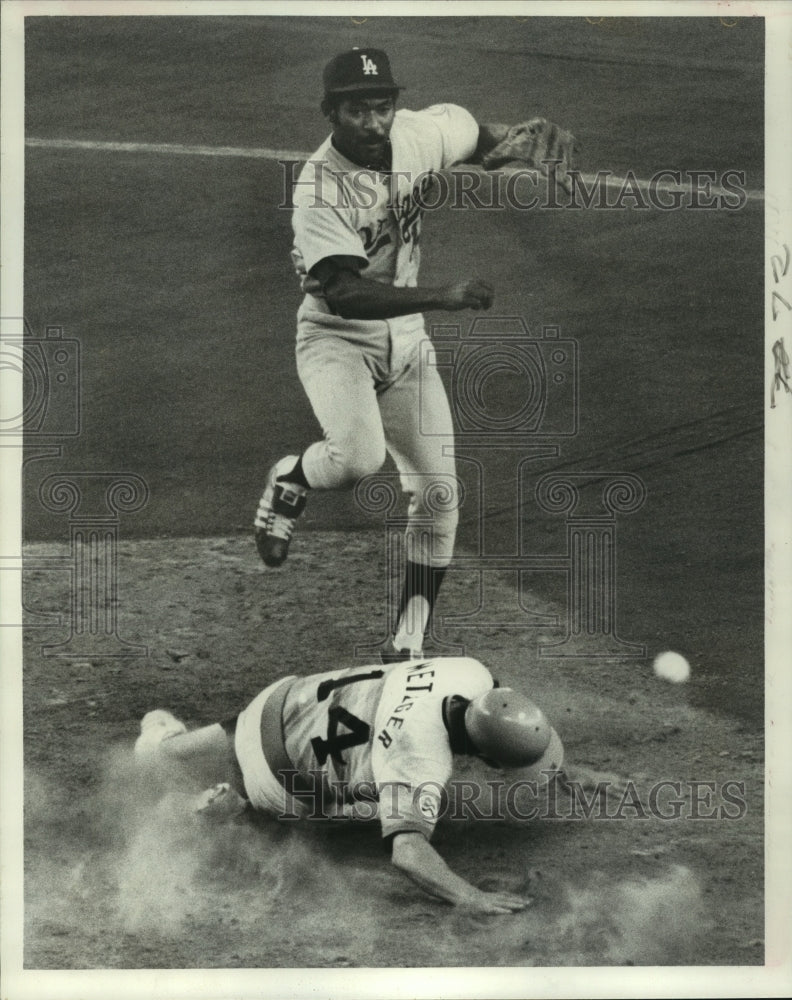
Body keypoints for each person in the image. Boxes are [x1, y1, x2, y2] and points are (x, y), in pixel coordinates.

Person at [254, 47, 536, 663]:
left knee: (439, 493)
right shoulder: (319, 189)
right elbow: (347, 294)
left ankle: (407, 643)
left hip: (408, 345)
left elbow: (473, 136)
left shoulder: (417, 135)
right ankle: (292, 478)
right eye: (358, 109)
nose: (374, 122)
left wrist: (514, 144)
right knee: (358, 459)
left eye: (382, 107)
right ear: (331, 112)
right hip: (336, 340)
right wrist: (444, 295)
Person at [135, 655, 564, 914]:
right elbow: (409, 854)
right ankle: (217, 808)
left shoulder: (469, 673)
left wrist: (572, 773)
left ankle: (166, 748)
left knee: (201, 742)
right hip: (277, 782)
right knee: (372, 808)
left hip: (274, 704)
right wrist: (469, 895)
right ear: (486, 756)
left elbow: (505, 723)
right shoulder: (420, 759)